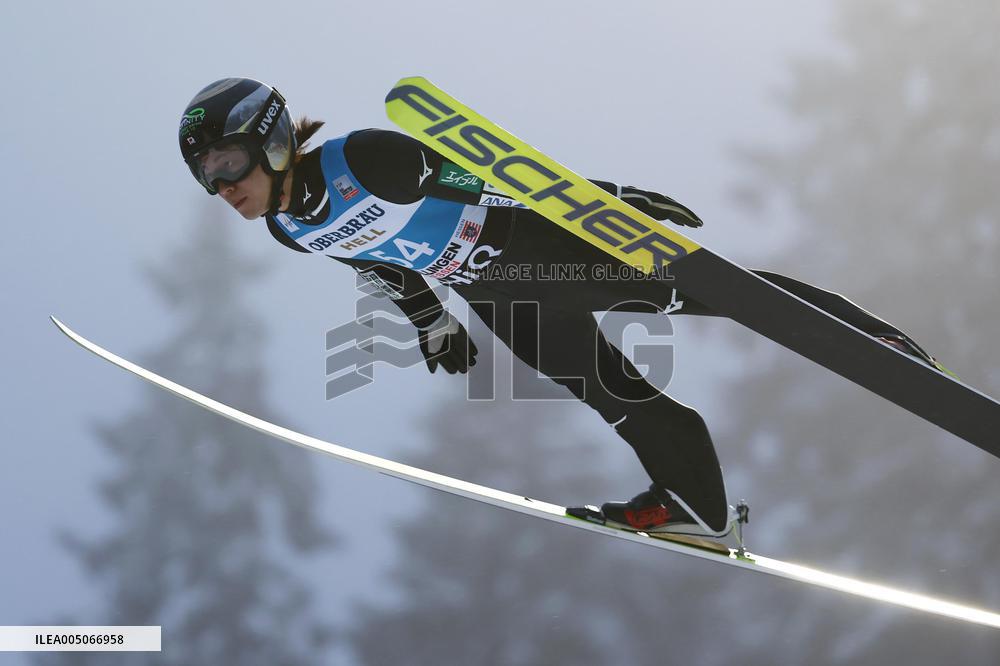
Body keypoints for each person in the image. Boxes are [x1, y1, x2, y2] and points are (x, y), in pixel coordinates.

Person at [178, 77, 947, 548]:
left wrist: (608, 200)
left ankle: (872, 339)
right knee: (615, 397)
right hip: (496, 296)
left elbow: (487, 173)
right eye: (206, 175)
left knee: (728, 298)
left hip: (537, 245)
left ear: (270, 138)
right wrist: (430, 321)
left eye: (227, 164)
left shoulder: (363, 158)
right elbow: (376, 258)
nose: (222, 186)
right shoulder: (290, 227)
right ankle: (695, 508)